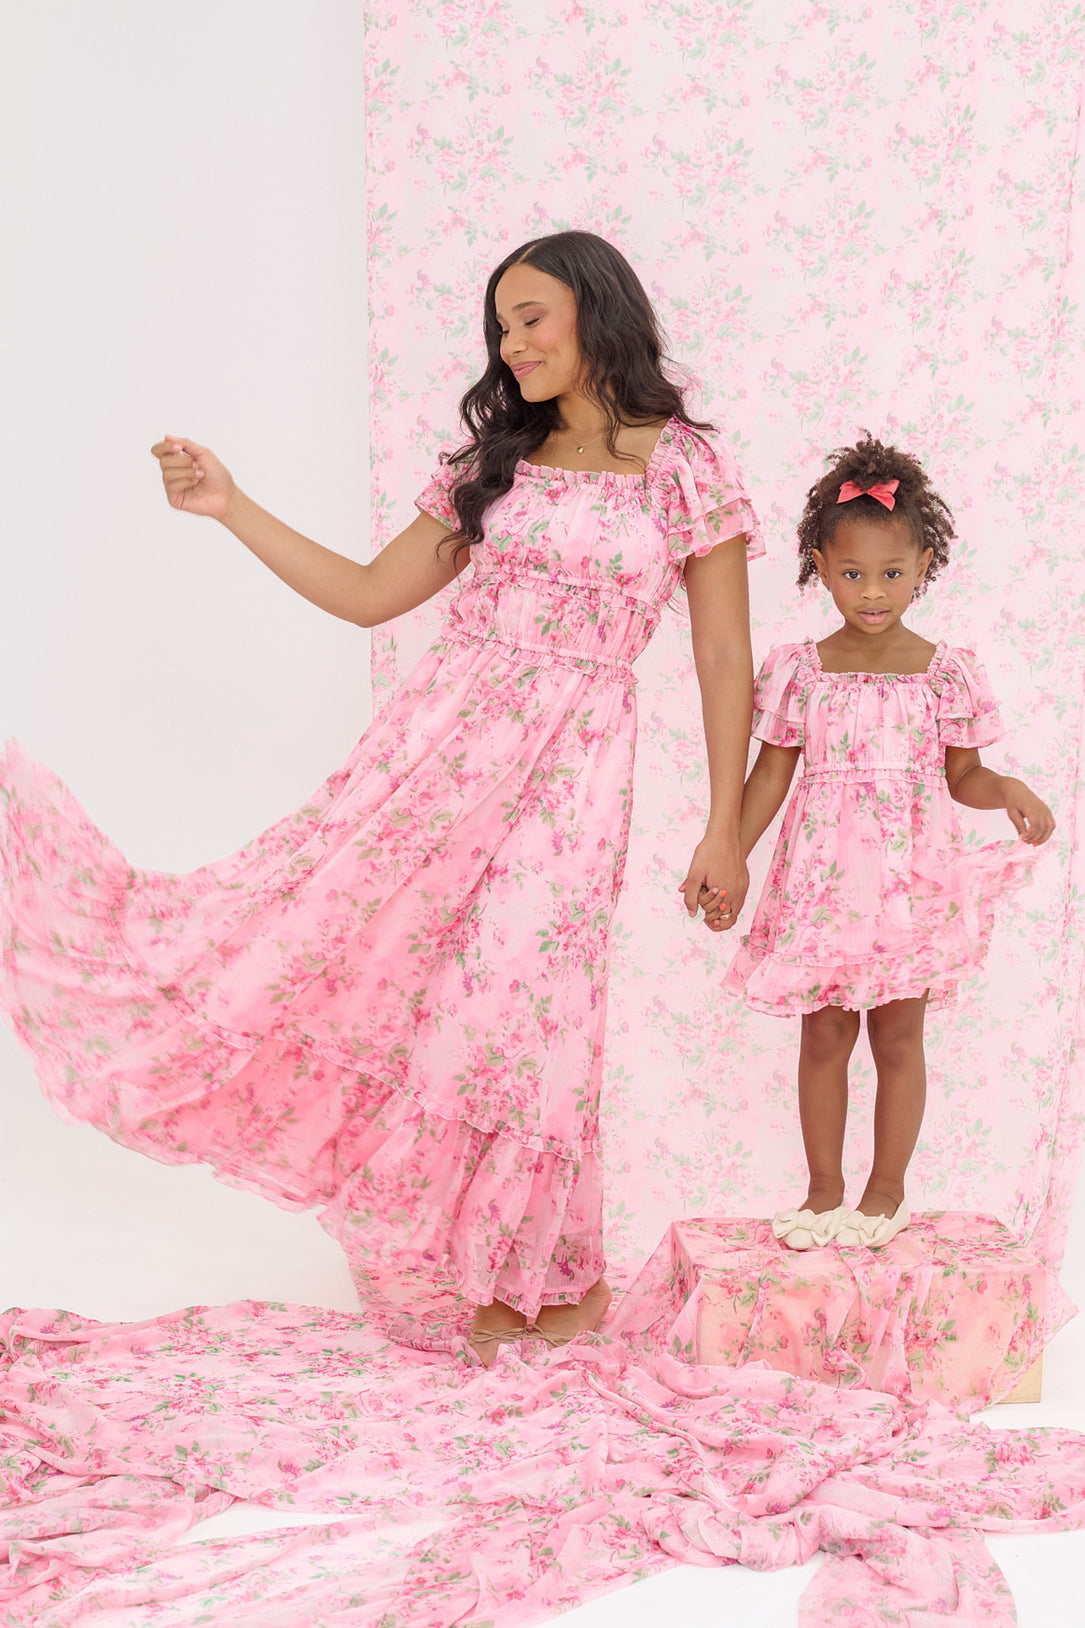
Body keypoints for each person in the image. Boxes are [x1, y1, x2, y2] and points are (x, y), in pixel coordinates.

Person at [0, 230, 762, 1357]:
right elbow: (367, 594)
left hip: (573, 774)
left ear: (599, 311)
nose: (512, 343)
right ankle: (487, 1270)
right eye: (500, 326)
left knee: (530, 1016)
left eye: (532, 317)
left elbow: (722, 656)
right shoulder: (494, 462)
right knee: (325, 940)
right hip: (436, 753)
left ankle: (550, 1278)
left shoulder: (683, 465)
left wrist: (725, 826)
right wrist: (232, 504)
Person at [702, 434, 1054, 1251]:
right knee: (824, 1034)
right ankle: (822, 1190)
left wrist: (1005, 788)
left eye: (891, 574)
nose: (871, 592)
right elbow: (769, 777)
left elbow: (963, 776)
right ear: (819, 567)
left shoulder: (945, 671)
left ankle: (884, 1191)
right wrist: (729, 858)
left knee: (896, 1037)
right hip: (823, 882)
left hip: (908, 886)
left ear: (924, 566)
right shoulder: (799, 669)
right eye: (852, 574)